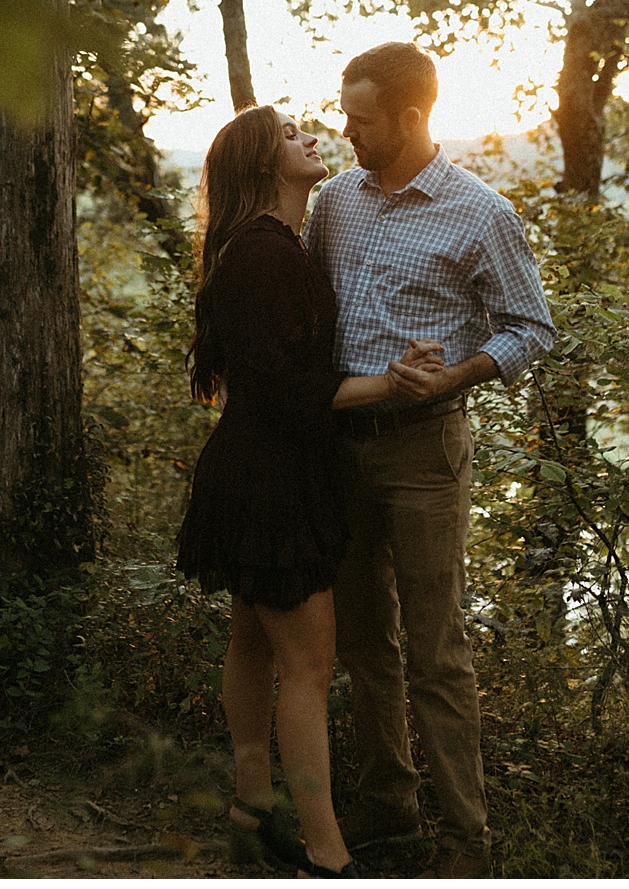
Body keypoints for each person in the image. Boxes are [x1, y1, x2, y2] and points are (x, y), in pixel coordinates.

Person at [302, 41, 555, 878]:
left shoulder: (481, 212)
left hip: (423, 451)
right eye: (345, 113)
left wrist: (459, 371)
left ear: (411, 117)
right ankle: (389, 808)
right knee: (365, 641)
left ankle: (464, 840)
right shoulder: (334, 202)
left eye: (361, 118)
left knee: (437, 649)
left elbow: (530, 329)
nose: (346, 131)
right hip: (340, 449)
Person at [176, 103, 443, 878]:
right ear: (265, 164)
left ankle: (251, 806)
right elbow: (285, 388)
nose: (312, 137)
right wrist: (387, 383)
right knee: (310, 664)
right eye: (292, 135)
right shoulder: (266, 254)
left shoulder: (273, 244)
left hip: (262, 467)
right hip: (271, 478)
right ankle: (326, 847)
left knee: (255, 642)